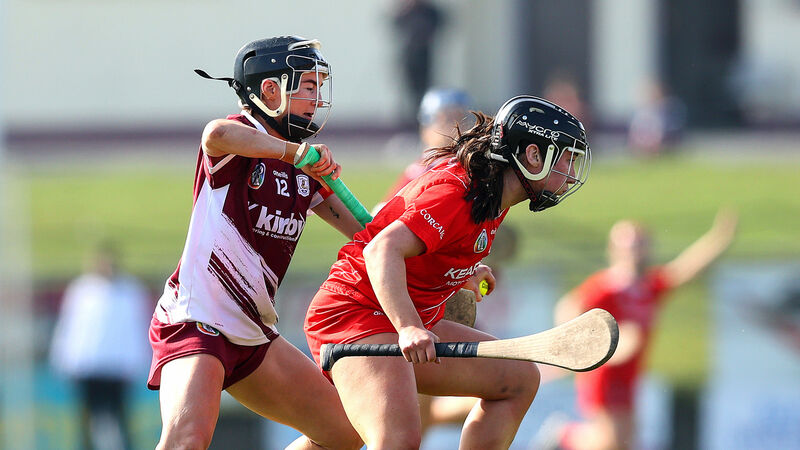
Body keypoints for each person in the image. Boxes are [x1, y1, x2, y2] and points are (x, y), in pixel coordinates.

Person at [305, 95, 592, 448]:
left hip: (404, 318)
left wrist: (462, 269)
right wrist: (408, 326)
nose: (571, 175)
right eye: (567, 159)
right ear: (533, 155)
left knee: (519, 379)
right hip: (355, 315)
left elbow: (430, 246)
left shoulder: (493, 193)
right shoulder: (458, 193)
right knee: (397, 442)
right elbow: (382, 249)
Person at [148, 36, 363, 450]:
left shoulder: (304, 168)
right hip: (198, 320)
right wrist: (293, 153)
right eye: (308, 87)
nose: (316, 100)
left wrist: (446, 260)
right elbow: (216, 133)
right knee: (186, 440)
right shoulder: (245, 137)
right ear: (270, 90)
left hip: (252, 331)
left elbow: (368, 232)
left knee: (344, 435)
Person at [549, 209, 738, 450]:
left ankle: (566, 436)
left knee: (624, 442)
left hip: (630, 374)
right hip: (604, 374)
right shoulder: (606, 287)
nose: (635, 252)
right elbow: (567, 308)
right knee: (610, 442)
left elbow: (685, 270)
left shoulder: (650, 287)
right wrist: (591, 347)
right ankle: (564, 435)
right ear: (614, 250)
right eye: (629, 246)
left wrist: (719, 239)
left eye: (640, 244)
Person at [50, 242, 151, 450]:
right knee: (87, 420)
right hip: (89, 366)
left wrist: (139, 361)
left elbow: (138, 328)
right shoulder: (82, 290)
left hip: (118, 368)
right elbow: (70, 326)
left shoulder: (130, 291)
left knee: (120, 418)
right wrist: (64, 359)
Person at [390, 0, 446, 122]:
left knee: (425, 87)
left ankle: (425, 117)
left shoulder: (429, 11)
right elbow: (395, 24)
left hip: (425, 54)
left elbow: (441, 22)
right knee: (407, 87)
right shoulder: (405, 11)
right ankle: (408, 118)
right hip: (408, 54)